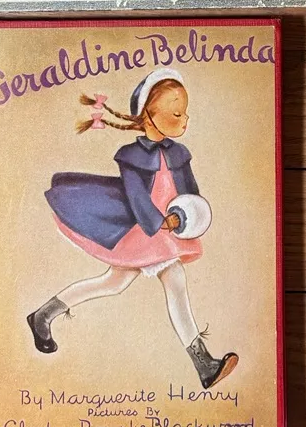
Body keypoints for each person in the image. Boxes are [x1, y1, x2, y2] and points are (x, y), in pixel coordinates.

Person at [26, 67, 237, 390]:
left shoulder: (179, 154)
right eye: (176, 114)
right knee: (165, 280)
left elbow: (190, 192)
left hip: (168, 233)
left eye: (185, 113)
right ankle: (204, 364)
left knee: (117, 283)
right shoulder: (131, 157)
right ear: (149, 116)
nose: (185, 120)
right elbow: (138, 198)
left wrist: (190, 216)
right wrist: (159, 223)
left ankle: (43, 315)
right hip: (143, 232)